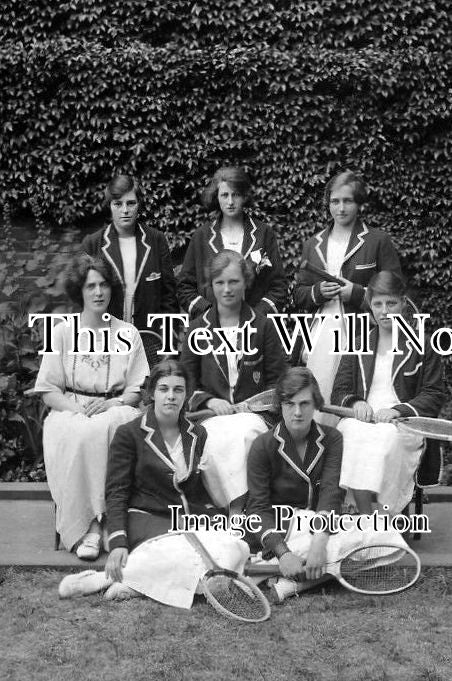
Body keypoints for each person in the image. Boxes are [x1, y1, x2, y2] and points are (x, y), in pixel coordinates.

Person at [58, 360, 250, 606]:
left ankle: (131, 583)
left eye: (178, 390)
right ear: (152, 393)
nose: (171, 396)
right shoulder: (129, 433)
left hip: (185, 517)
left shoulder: (197, 433)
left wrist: (212, 517)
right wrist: (118, 542)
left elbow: (194, 489)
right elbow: (116, 492)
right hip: (145, 517)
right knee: (186, 550)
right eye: (164, 389)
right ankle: (100, 579)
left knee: (235, 546)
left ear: (187, 395)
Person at [245, 367, 408, 602]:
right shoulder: (262, 445)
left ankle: (283, 582)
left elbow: (332, 493)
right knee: (337, 546)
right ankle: (286, 568)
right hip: (280, 532)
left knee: (387, 534)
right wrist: (283, 553)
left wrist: (320, 544)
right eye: (290, 404)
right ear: (279, 405)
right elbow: (257, 509)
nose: (298, 412)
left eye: (305, 403)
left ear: (316, 405)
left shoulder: (332, 438)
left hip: (320, 527)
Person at [34, 254, 149, 559]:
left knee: (115, 426)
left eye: (103, 285)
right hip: (69, 407)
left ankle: (110, 521)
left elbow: (137, 387)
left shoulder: (128, 333)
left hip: (114, 405)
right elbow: (47, 389)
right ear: (79, 291)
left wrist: (114, 402)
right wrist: (75, 409)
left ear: (111, 289)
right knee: (79, 432)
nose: (98, 292)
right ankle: (89, 528)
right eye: (90, 286)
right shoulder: (61, 332)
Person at [330, 271, 445, 515]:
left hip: (404, 424)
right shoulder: (357, 343)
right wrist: (357, 402)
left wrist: (397, 410)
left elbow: (434, 394)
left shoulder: (423, 344)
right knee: (346, 433)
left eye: (391, 303)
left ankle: (386, 515)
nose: (384, 311)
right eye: (378, 303)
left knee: (386, 439)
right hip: (362, 420)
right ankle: (364, 516)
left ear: (403, 303)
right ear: (370, 305)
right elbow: (339, 390)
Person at [180, 249, 287, 511]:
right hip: (211, 416)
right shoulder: (197, 329)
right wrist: (209, 400)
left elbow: (278, 381)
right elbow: (186, 380)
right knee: (216, 438)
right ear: (210, 285)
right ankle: (233, 508)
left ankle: (248, 507)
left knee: (246, 431)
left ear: (245, 282)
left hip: (255, 416)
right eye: (220, 283)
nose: (227, 289)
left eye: (234, 281)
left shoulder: (263, 326)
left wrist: (251, 406)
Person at [292, 170, 402, 417]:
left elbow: (396, 290)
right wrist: (317, 292)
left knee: (349, 398)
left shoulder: (377, 240)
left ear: (359, 203)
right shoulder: (313, 244)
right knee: (318, 395)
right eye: (335, 201)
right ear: (328, 203)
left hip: (362, 330)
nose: (340, 208)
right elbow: (298, 295)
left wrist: (357, 292)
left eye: (348, 201)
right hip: (321, 333)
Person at [81, 175, 179, 361]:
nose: (125, 210)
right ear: (109, 206)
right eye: (118, 204)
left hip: (150, 342)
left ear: (139, 204)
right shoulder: (93, 244)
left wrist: (168, 343)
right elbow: (83, 298)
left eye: (131, 203)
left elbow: (169, 298)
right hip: (106, 341)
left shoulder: (156, 240)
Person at [178, 166, 287, 318]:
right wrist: (207, 313)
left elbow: (278, 287)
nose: (230, 201)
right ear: (217, 197)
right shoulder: (201, 236)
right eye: (224, 195)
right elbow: (184, 287)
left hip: (254, 328)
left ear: (244, 196)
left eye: (235, 194)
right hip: (211, 330)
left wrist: (257, 315)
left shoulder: (263, 233)